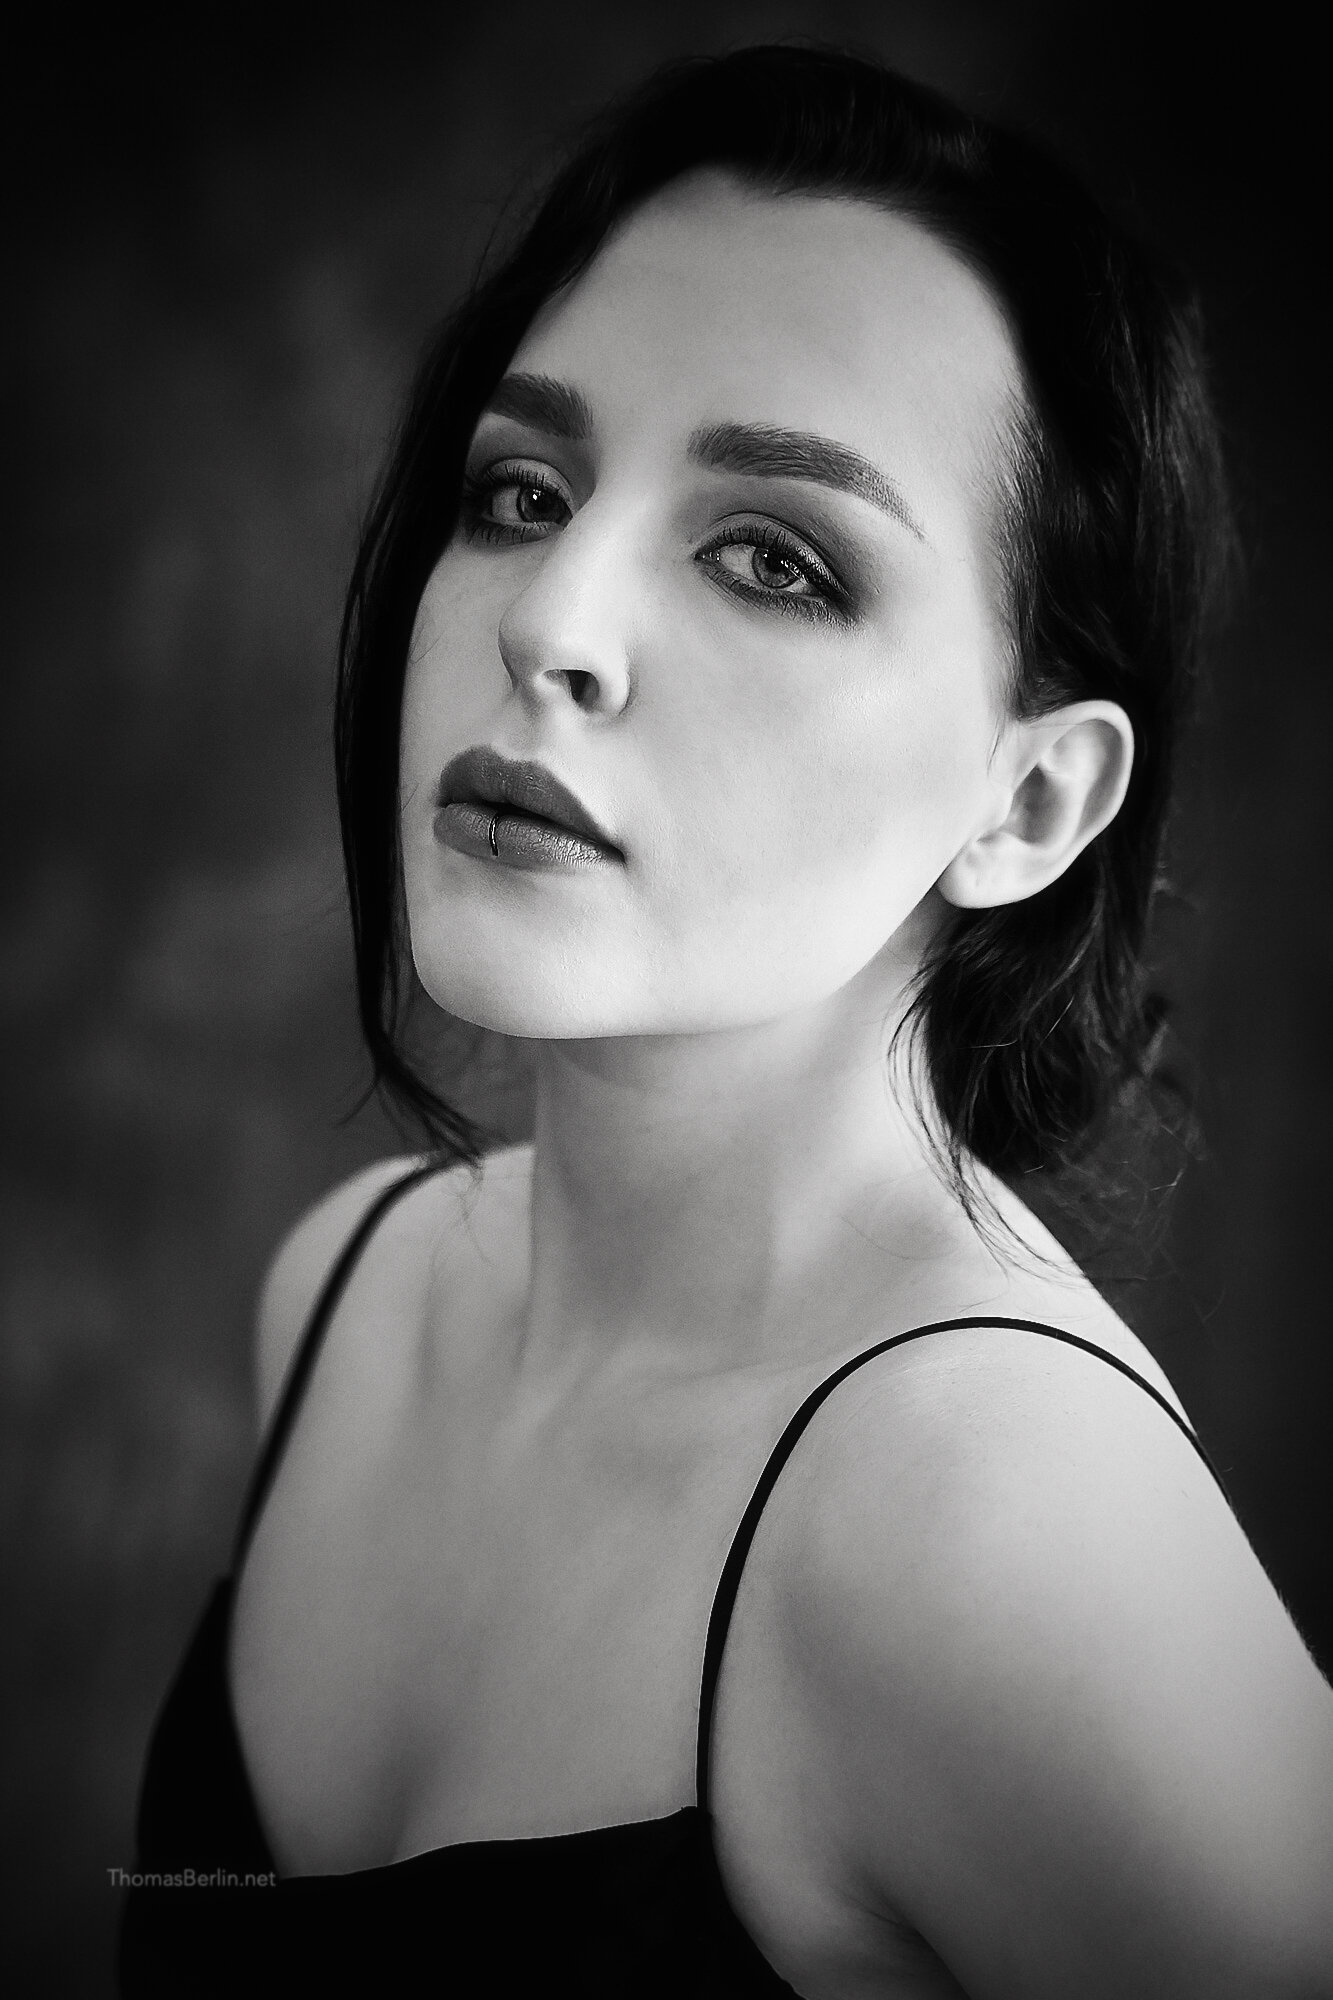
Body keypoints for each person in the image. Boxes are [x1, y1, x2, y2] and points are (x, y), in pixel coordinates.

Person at [119, 44, 1333, 1999]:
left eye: (774, 557)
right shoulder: (347, 1293)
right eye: (521, 491)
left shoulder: (1003, 1532)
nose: (549, 623)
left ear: (1029, 804)